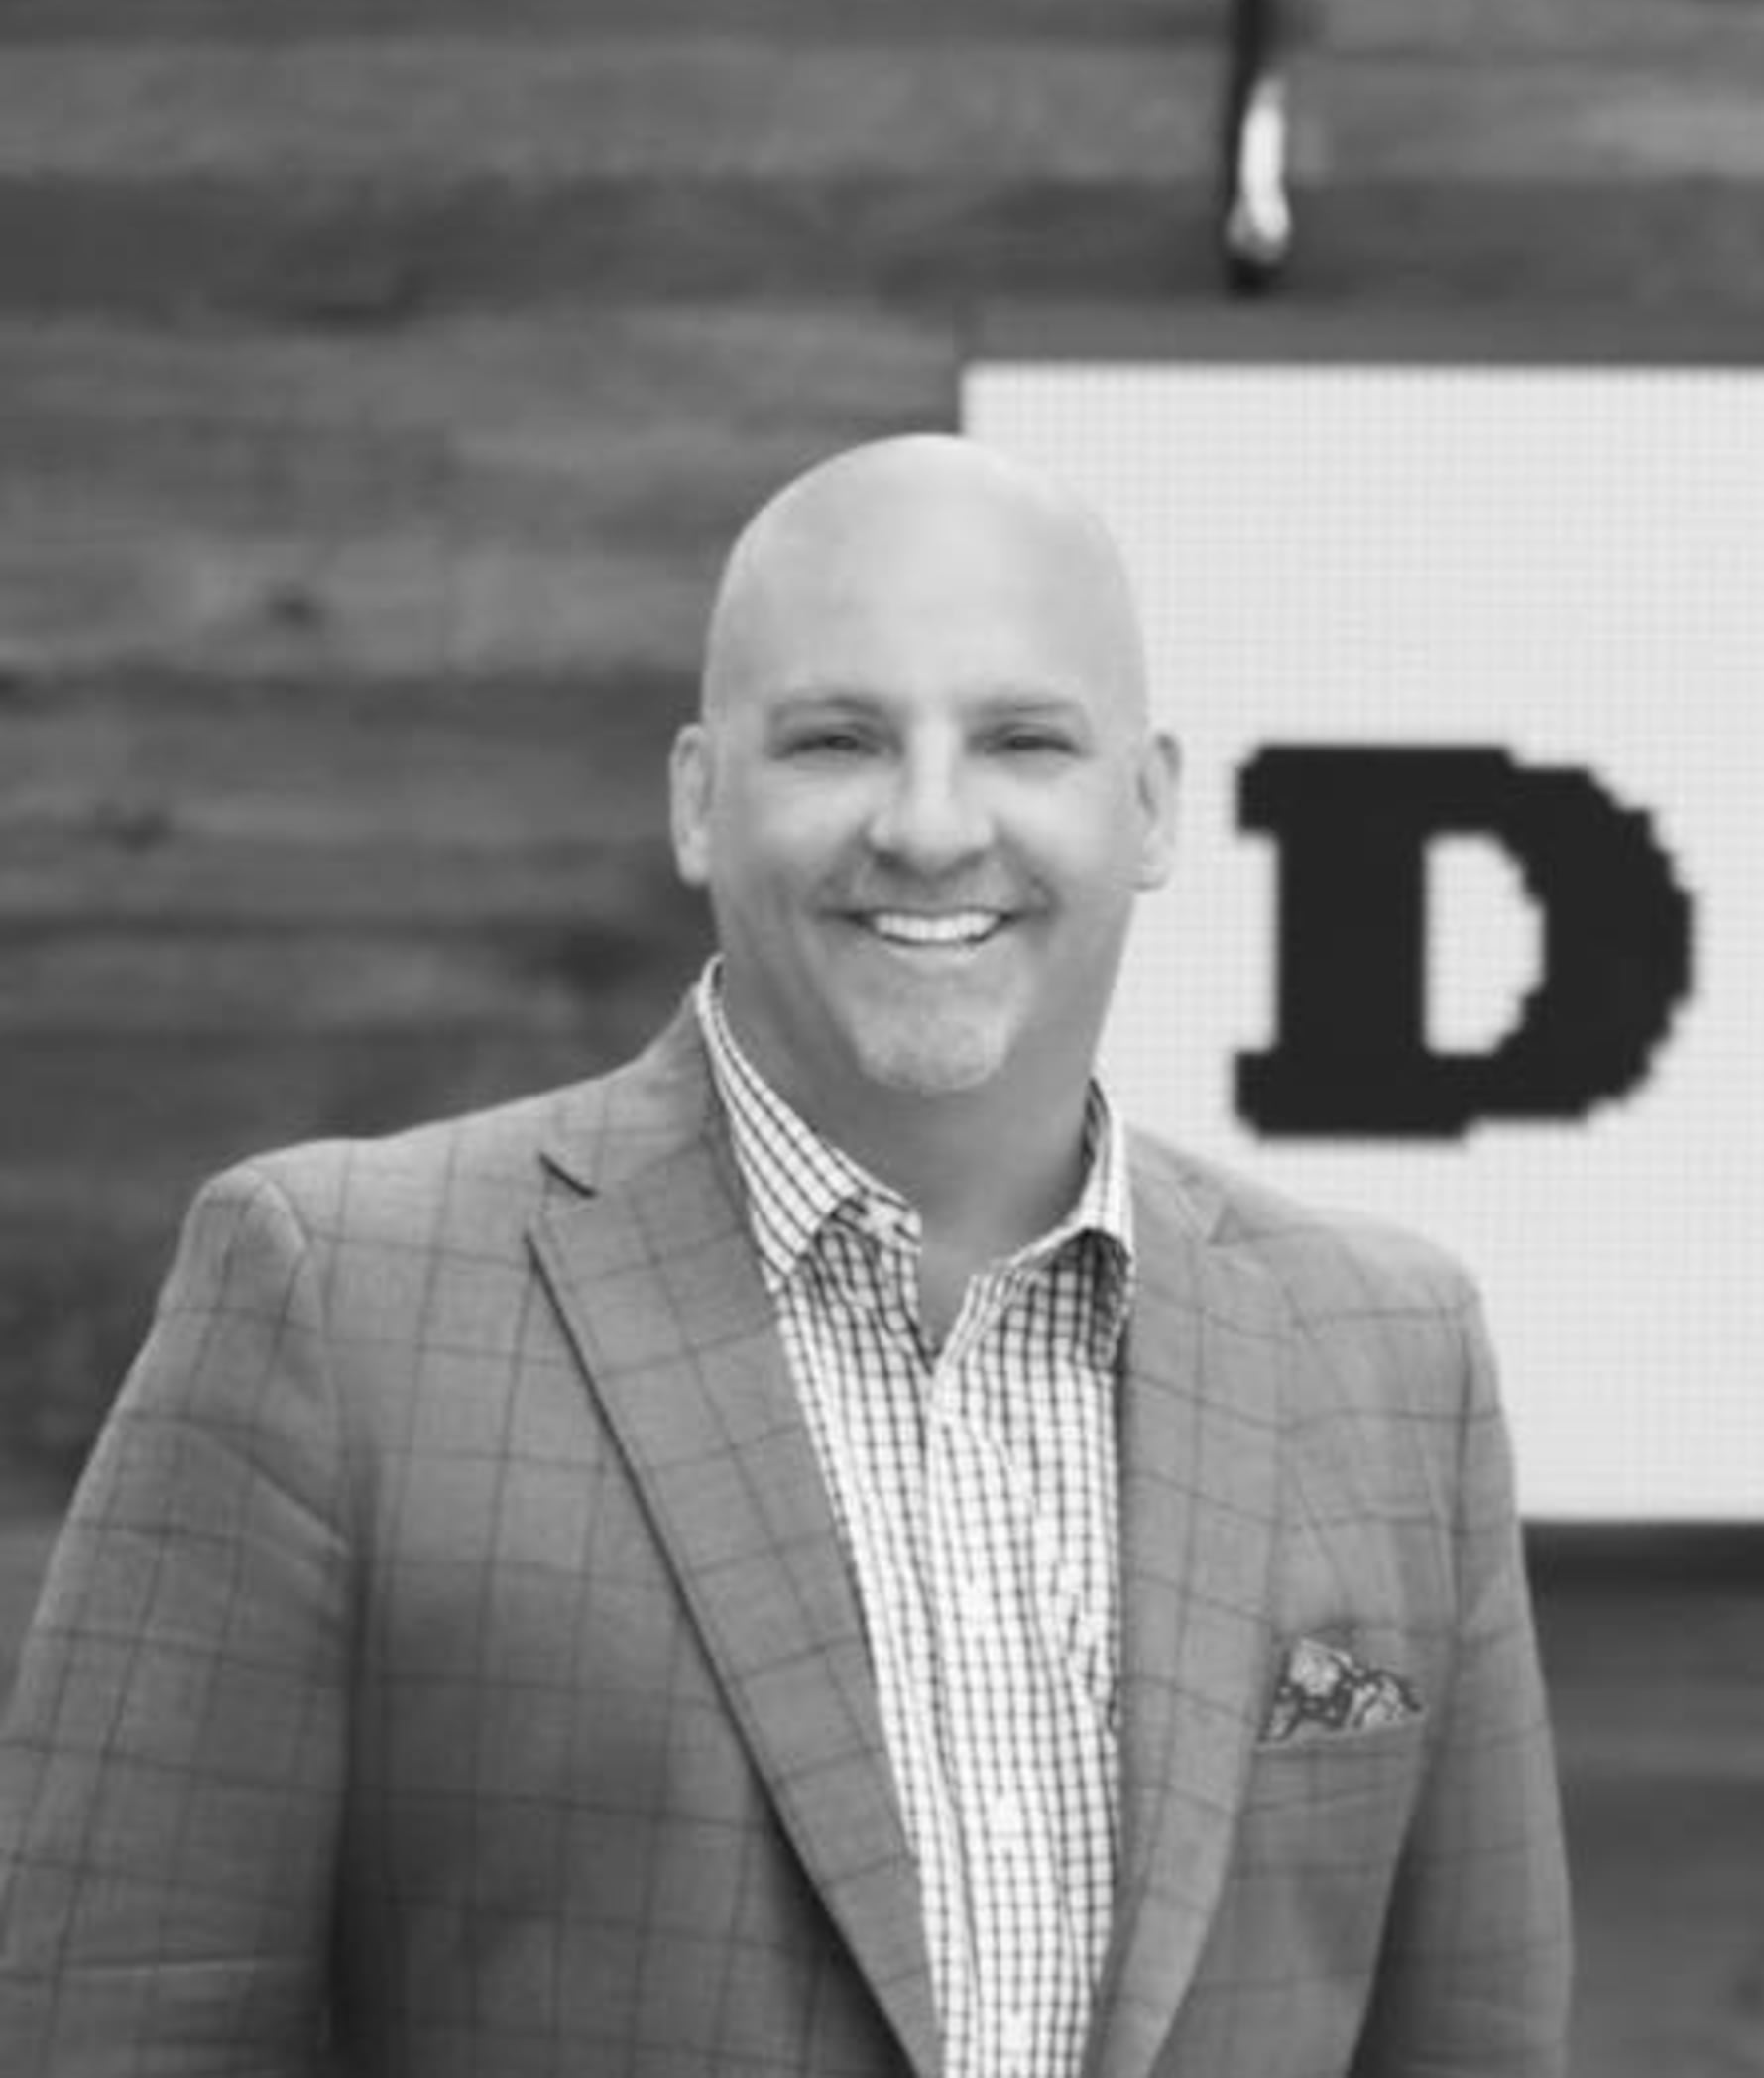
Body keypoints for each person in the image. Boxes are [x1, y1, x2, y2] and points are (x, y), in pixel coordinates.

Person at [0, 435, 1569, 2077]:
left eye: (1022, 739)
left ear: (1152, 803)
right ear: (699, 798)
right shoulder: (337, 1301)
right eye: (837, 738)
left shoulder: (1394, 1354)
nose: (931, 823)